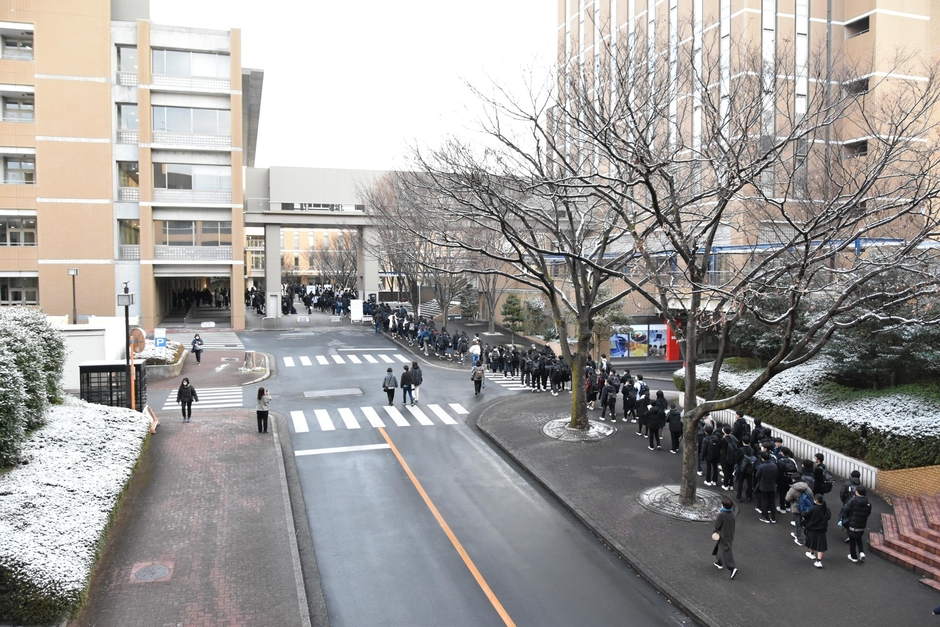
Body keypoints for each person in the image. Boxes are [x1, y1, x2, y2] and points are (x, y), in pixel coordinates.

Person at [841, 485, 872, 563]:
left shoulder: (853, 501)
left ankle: (853, 556)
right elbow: (868, 513)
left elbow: (845, 509)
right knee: (859, 537)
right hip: (862, 523)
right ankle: (861, 552)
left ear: (857, 492)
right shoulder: (868, 503)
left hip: (852, 523)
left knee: (852, 540)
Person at [712, 496, 738, 579]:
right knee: (721, 547)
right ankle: (719, 562)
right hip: (730, 533)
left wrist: (715, 531)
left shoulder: (721, 514)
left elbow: (717, 525)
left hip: (723, 535)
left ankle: (732, 567)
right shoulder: (732, 514)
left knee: (726, 550)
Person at [803, 493, 831, 568]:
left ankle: (812, 554)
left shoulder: (813, 508)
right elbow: (829, 517)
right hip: (822, 530)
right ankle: (819, 561)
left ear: (816, 501)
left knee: (811, 542)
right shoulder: (826, 509)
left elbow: (805, 515)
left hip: (812, 529)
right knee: (820, 546)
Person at [755, 451, 779, 523]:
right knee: (772, 501)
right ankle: (773, 517)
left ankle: (765, 517)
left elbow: (757, 475)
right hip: (772, 485)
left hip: (764, 486)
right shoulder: (774, 465)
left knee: (764, 501)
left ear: (762, 458)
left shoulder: (761, 466)